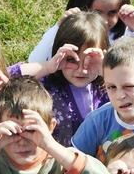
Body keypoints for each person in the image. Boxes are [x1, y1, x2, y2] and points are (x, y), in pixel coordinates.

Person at [10, 9, 110, 146]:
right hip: (56, 164)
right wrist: (47, 67)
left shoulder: (110, 86)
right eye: (72, 60)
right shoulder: (47, 86)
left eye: (90, 60)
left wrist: (108, 70)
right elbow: (6, 78)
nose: (81, 70)